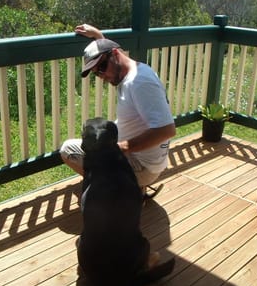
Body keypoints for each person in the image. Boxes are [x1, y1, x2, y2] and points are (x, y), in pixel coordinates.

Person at [60, 24, 176, 196]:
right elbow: (106, 51)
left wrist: (121, 147)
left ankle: (121, 190)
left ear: (115, 54)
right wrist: (98, 35)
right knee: (92, 133)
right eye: (96, 73)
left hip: (142, 166)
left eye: (102, 68)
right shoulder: (131, 70)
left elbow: (167, 130)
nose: (102, 76)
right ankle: (122, 183)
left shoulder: (140, 83)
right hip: (144, 159)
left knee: (67, 150)